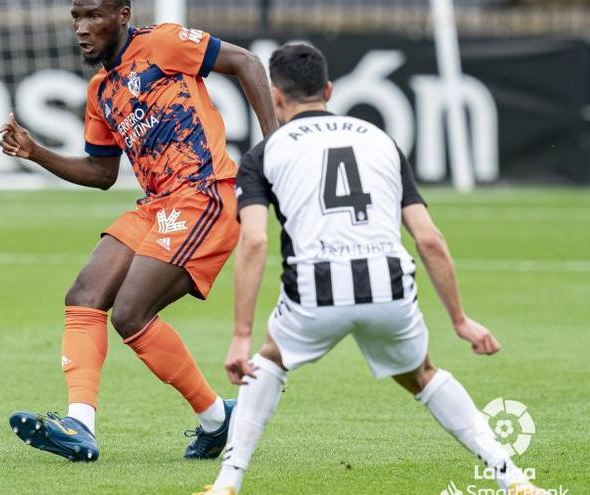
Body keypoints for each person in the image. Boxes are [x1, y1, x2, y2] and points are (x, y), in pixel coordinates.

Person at [197, 43, 546, 494]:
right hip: (389, 287)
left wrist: (241, 334)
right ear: (328, 89)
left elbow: (256, 241)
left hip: (315, 292)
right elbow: (429, 240)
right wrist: (459, 320)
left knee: (268, 361)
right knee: (422, 375)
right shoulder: (380, 140)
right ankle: (512, 479)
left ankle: (227, 484)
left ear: (277, 98)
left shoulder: (266, 154)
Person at [0, 0, 278, 463]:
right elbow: (101, 172)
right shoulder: (100, 90)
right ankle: (83, 425)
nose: (82, 29)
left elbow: (245, 62)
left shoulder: (164, 43)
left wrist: (276, 144)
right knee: (84, 294)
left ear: (123, 14)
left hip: (203, 193)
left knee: (130, 311)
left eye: (93, 16)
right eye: (76, 18)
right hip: (157, 204)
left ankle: (215, 419)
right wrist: (35, 152)